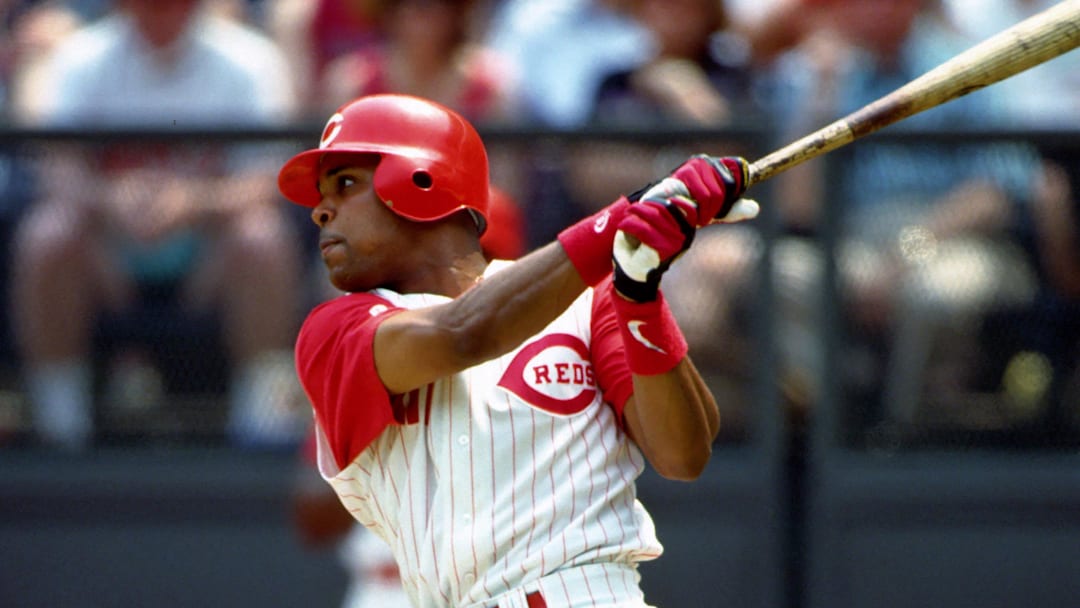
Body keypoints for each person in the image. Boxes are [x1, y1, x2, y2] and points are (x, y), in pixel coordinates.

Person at [277, 92, 759, 607]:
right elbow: (465, 332)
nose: (320, 211)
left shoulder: (587, 300)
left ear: (419, 179)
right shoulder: (335, 329)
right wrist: (621, 221)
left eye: (344, 184)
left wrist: (640, 295)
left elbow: (683, 454)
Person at [10, 0, 307, 450]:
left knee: (262, 236)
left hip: (207, 258)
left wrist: (194, 202)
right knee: (47, 233)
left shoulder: (250, 58)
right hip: (109, 257)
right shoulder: (82, 56)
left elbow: (271, 177)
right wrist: (111, 201)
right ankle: (59, 426)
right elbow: (57, 166)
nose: (162, 8)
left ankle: (262, 423)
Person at [761, 0, 1043, 430]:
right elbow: (797, 211)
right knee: (779, 270)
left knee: (936, 291)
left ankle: (905, 435)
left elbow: (998, 189)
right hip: (855, 246)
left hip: (954, 239)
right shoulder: (817, 74)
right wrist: (820, 98)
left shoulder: (966, 61)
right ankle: (837, 425)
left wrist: (909, 248)